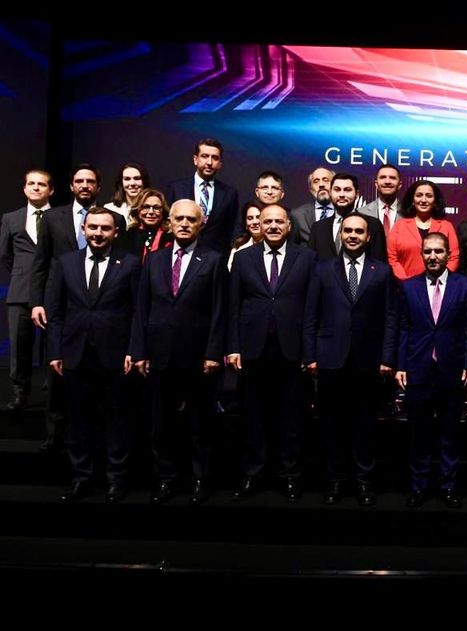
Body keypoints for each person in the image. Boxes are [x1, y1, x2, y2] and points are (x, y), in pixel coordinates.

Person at [130, 200, 227, 505]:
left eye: (191, 219)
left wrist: (214, 353)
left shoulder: (213, 259)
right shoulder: (154, 260)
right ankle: (165, 479)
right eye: (179, 218)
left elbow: (220, 311)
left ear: (201, 224)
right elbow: (142, 308)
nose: (185, 224)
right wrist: (139, 351)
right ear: (169, 222)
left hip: (198, 356)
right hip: (158, 354)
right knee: (161, 424)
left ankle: (200, 479)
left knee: (200, 424)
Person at [46, 207, 140, 502]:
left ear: (116, 232)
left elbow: (138, 312)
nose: (98, 233)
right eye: (93, 227)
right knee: (78, 421)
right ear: (83, 229)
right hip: (75, 353)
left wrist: (133, 349)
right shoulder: (66, 262)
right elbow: (56, 312)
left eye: (105, 228)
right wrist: (55, 351)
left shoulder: (130, 264)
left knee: (117, 420)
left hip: (116, 354)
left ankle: (116, 480)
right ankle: (81, 478)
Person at [30, 165, 126, 450]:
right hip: (61, 302)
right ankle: (54, 437)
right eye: (79, 181)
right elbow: (40, 263)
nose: (85, 185)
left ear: (98, 187)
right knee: (58, 377)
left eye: (90, 181)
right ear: (71, 186)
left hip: (101, 307)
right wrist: (37, 302)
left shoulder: (114, 219)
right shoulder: (51, 217)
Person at [303, 214, 397, 508]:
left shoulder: (382, 271)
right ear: (340, 235)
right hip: (330, 358)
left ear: (369, 237)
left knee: (365, 424)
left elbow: (390, 317)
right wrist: (310, 355)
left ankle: (363, 480)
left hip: (368, 360)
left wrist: (387, 357)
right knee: (332, 424)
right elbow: (311, 315)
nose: (353, 235)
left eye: (359, 231)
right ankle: (335, 480)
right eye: (348, 231)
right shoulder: (322, 270)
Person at [227, 204, 317, 502]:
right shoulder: (243, 257)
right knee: (253, 417)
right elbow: (233, 305)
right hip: (252, 348)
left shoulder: (306, 257)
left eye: (280, 221)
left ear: (289, 226)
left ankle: (290, 475)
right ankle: (252, 474)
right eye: (268, 222)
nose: (274, 226)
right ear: (259, 226)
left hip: (292, 348)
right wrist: (233, 347)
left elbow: (312, 307)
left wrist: (309, 351)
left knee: (291, 418)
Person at [387, 232, 467, 509]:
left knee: (450, 432)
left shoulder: (464, 285)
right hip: (418, 367)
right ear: (422, 254)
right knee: (418, 433)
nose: (433, 256)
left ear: (448, 254)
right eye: (428, 251)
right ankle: (418, 486)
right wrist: (401, 365)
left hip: (451, 367)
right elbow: (403, 329)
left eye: (438, 251)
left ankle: (448, 486)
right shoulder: (408, 287)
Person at [0, 168, 52, 411]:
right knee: (19, 346)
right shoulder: (10, 218)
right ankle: (20, 392)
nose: (36, 187)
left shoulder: (61, 217)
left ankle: (52, 391)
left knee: (52, 346)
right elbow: (6, 255)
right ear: (24, 188)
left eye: (41, 184)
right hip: (20, 291)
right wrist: (23, 274)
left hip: (52, 290)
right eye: (31, 183)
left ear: (51, 190)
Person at [166, 138, 239, 256]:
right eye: (204, 156)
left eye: (215, 158)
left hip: (216, 257)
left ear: (220, 163)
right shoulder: (176, 188)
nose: (209, 162)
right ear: (195, 159)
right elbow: (168, 224)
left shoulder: (229, 193)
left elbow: (232, 228)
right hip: (182, 253)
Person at [387, 179, 460, 279]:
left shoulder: (446, 226)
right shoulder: (399, 226)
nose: (424, 200)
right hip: (404, 284)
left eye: (429, 196)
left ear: (435, 201)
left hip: (439, 285)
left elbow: (454, 257)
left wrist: (440, 279)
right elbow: (392, 258)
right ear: (412, 200)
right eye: (419, 195)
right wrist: (406, 281)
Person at [308, 172, 387, 262]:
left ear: (357, 194)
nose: (342, 194)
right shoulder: (318, 227)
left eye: (347, 190)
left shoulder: (373, 224)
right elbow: (310, 263)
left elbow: (380, 264)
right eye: (337, 190)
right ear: (330, 193)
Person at [114, 188, 174, 262]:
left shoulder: (170, 237)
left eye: (156, 208)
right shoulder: (128, 236)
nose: (151, 212)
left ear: (163, 211)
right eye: (146, 207)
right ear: (138, 210)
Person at [290, 167, 335, 244]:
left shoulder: (346, 213)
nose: (321, 185)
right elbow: (292, 246)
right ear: (311, 189)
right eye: (316, 181)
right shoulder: (298, 215)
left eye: (326, 180)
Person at [359, 163, 402, 236]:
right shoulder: (361, 213)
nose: (387, 182)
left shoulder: (410, 213)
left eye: (392, 178)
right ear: (376, 184)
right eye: (382, 177)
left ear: (400, 185)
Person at [228, 201, 264, 270]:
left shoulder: (275, 246)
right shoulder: (238, 248)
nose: (254, 222)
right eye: (250, 218)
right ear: (246, 224)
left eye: (258, 217)